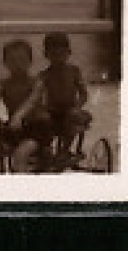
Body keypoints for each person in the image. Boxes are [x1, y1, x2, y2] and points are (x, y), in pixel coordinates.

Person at [19, 33, 92, 164]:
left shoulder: (74, 71)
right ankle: (45, 149)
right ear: (46, 55)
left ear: (68, 53)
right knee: (41, 119)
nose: (57, 58)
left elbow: (84, 94)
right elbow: (36, 95)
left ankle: (65, 150)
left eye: (61, 54)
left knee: (72, 116)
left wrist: (78, 106)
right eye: (53, 55)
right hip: (53, 111)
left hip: (71, 110)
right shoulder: (44, 75)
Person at [0, 39, 43, 172]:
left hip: (35, 130)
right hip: (13, 129)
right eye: (12, 60)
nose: (17, 64)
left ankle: (20, 191)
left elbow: (31, 102)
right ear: (5, 63)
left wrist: (18, 116)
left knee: (20, 157)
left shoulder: (36, 84)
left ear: (30, 62)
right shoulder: (2, 84)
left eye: (22, 60)